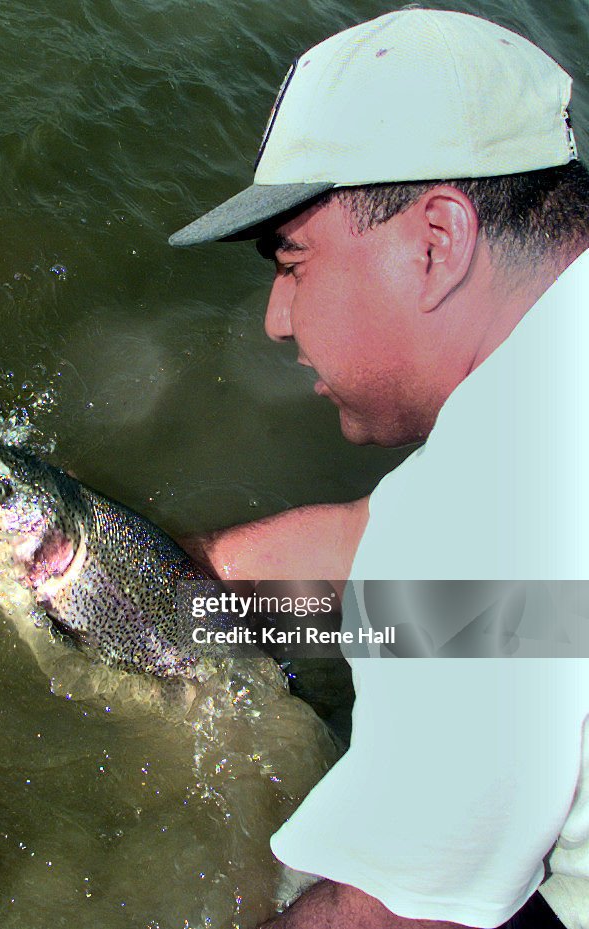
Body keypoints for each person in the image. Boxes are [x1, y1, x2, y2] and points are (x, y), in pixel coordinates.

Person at [168, 9, 589, 929]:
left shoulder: (499, 499)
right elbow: (381, 545)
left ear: (435, 240)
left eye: (293, 262)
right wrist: (177, 586)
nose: (278, 319)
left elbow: (393, 909)